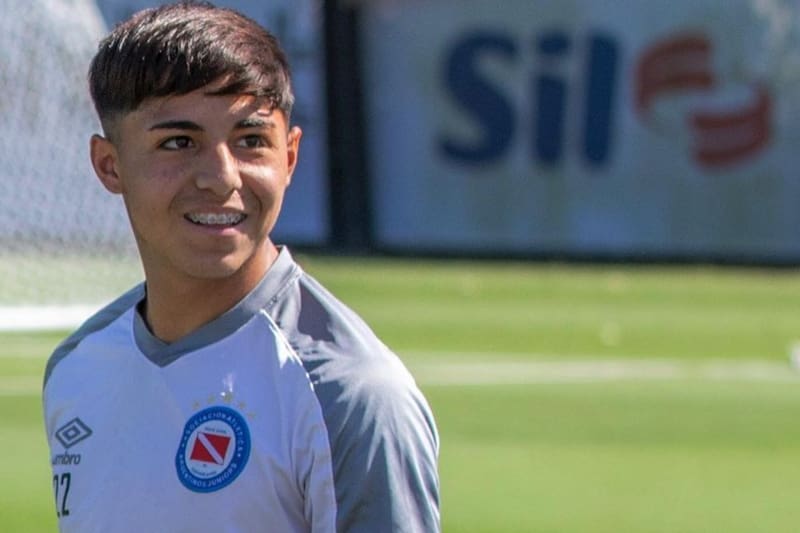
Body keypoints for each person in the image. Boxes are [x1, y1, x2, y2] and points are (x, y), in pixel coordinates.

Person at [41, 2, 440, 532]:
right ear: (109, 165)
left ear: (290, 157)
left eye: (251, 141)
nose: (221, 177)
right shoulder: (77, 367)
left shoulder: (349, 394)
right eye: (179, 143)